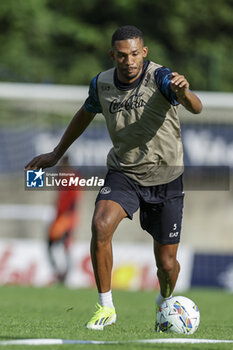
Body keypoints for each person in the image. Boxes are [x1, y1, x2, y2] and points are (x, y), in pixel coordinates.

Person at [25, 25, 202, 331]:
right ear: (113, 56)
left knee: (167, 265)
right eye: (122, 55)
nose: (129, 61)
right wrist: (56, 153)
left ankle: (164, 301)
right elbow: (84, 113)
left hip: (166, 177)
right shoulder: (102, 83)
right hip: (124, 172)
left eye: (135, 54)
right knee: (100, 223)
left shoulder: (160, 77)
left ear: (143, 53)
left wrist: (184, 92)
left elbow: (195, 108)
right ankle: (106, 307)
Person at [47, 155, 82, 283]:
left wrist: (69, 219)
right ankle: (58, 272)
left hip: (67, 218)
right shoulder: (61, 178)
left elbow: (74, 200)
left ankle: (66, 275)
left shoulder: (74, 178)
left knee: (65, 245)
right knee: (51, 244)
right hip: (59, 217)